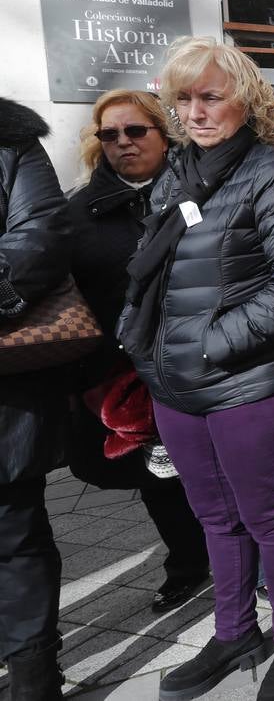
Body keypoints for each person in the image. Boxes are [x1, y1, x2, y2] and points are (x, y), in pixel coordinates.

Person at [117, 38, 274, 701]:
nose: (197, 110)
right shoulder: (177, 171)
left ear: (246, 98)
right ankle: (235, 631)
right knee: (214, 517)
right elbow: (156, 270)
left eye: (211, 95)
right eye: (184, 98)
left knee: (267, 513)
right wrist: (150, 348)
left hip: (248, 381)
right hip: (176, 383)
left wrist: (212, 343)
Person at [66, 90, 209, 613]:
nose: (123, 142)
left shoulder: (201, 187)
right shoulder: (78, 211)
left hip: (205, 357)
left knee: (225, 466)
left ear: (162, 133)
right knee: (160, 476)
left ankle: (247, 562)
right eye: (110, 134)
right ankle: (188, 564)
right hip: (131, 372)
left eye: (135, 131)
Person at [0, 98, 71, 701]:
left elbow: (41, 237)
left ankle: (33, 673)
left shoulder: (12, 141)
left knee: (12, 529)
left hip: (3, 372)